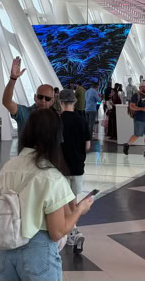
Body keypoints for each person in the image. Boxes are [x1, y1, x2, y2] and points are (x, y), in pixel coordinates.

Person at [0, 108, 94, 280]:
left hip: (6, 249)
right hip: (38, 253)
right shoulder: (51, 176)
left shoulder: (9, 167)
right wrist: (79, 210)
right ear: (56, 137)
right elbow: (57, 231)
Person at [58, 89, 92, 254]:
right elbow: (87, 145)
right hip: (78, 167)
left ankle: (72, 232)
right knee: (73, 200)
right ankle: (73, 231)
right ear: (75, 102)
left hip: (61, 168)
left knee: (64, 202)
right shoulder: (82, 120)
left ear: (60, 102)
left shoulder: (58, 121)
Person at [2, 57, 55, 133]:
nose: (43, 100)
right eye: (40, 97)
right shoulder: (24, 113)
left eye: (47, 98)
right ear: (35, 97)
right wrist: (13, 78)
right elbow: (6, 102)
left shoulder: (55, 119)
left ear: (52, 101)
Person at [123, 84, 145, 155]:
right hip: (139, 119)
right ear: (140, 87)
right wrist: (142, 109)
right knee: (137, 135)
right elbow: (131, 107)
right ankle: (127, 144)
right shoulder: (136, 96)